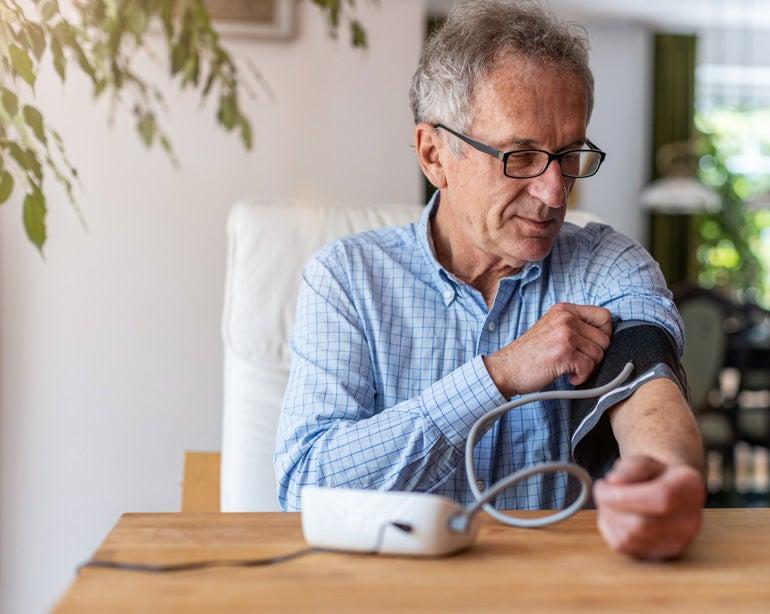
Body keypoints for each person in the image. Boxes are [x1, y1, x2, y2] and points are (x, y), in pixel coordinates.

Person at [274, 0, 705, 560]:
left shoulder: (609, 265)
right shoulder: (348, 280)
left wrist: (667, 476)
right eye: (521, 156)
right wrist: (497, 376)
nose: (556, 193)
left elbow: (648, 386)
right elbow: (304, 490)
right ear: (434, 154)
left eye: (569, 154)